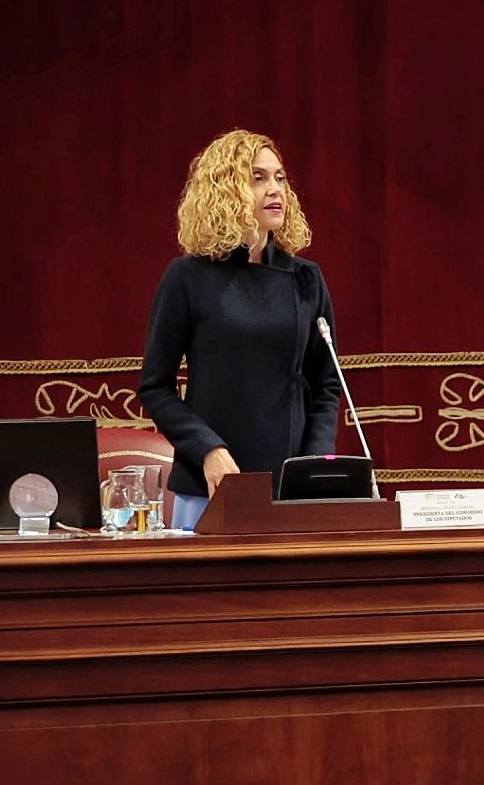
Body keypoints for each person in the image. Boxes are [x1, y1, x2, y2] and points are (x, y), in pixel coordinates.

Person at [139, 129, 342, 530]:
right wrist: (207, 449)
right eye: (258, 178)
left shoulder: (306, 278)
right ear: (225, 191)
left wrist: (317, 464)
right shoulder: (189, 277)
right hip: (212, 485)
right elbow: (155, 387)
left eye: (280, 178)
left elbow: (327, 386)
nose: (276, 190)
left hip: (291, 487)